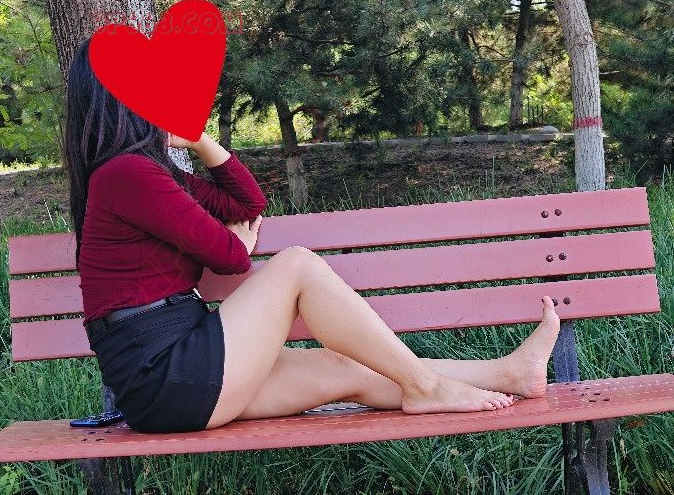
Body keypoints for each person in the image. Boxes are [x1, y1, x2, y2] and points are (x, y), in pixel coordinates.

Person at [65, 37, 562, 434]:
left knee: (349, 368)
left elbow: (246, 205)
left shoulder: (144, 173)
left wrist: (197, 137)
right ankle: (427, 387)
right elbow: (230, 257)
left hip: (176, 378)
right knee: (296, 265)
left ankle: (509, 374)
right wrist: (237, 246)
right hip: (167, 372)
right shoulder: (127, 174)